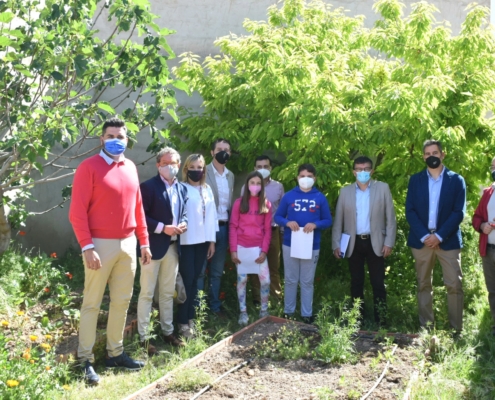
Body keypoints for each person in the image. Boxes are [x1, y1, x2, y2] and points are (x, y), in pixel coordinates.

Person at [69, 117, 151, 385]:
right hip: (99, 245)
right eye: (111, 135)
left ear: (128, 140)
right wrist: (87, 247)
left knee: (122, 301)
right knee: (92, 303)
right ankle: (85, 359)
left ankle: (115, 353)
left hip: (128, 244)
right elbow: (77, 212)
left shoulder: (130, 167)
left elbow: (137, 208)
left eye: (122, 136)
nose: (117, 140)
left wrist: (144, 242)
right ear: (101, 139)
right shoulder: (88, 167)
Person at [406, 139, 466, 333]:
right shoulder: (415, 180)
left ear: (442, 154)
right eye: (427, 154)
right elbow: (410, 211)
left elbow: (459, 212)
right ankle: (426, 328)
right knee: (423, 284)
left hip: (447, 242)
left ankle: (456, 330)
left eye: (435, 153)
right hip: (421, 242)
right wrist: (425, 236)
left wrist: (439, 236)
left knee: (454, 286)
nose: (431, 156)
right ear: (423, 156)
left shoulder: (456, 180)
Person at [332, 156, 396, 325]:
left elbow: (391, 218)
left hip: (376, 242)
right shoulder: (345, 192)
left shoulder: (382, 188)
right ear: (354, 172)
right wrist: (336, 244)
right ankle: (356, 319)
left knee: (378, 282)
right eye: (359, 169)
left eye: (366, 169)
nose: (362, 172)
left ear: (372, 171)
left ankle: (381, 319)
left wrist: (389, 242)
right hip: (353, 243)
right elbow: (339, 220)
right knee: (356, 282)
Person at [137, 147, 188, 349]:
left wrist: (183, 223)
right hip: (151, 247)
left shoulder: (182, 188)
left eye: (174, 163)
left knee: (167, 293)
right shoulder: (148, 187)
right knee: (147, 293)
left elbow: (183, 213)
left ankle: (168, 332)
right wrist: (162, 228)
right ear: (158, 165)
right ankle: (144, 337)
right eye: (165, 163)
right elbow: (140, 216)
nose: (170, 167)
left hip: (173, 248)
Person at [274, 164, 332, 323]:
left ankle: (306, 314)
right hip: (290, 243)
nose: (305, 179)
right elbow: (277, 217)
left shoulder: (320, 197)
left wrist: (316, 225)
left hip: (311, 245)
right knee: (291, 279)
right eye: (302, 176)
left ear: (315, 178)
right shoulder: (289, 196)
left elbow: (328, 220)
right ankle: (288, 312)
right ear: (297, 178)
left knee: (307, 281)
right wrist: (287, 222)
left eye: (309, 176)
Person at [177, 154, 217, 337]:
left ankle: (191, 318)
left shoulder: (207, 189)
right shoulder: (181, 188)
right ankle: (182, 322)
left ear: (204, 169)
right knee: (187, 280)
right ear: (186, 169)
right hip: (186, 241)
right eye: (192, 167)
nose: (196, 170)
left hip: (202, 242)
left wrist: (212, 241)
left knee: (195, 280)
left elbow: (212, 216)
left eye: (199, 167)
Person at [197, 139, 234, 317]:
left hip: (224, 227)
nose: (223, 152)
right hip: (205, 228)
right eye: (219, 149)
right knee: (200, 270)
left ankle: (214, 306)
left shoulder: (231, 176)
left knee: (217, 271)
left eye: (226, 150)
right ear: (212, 152)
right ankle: (198, 308)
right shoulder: (203, 172)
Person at [230, 171, 272, 325]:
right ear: (247, 185)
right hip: (242, 249)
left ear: (262, 185)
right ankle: (243, 312)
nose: (255, 186)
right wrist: (233, 250)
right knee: (242, 281)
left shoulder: (266, 204)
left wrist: (264, 251)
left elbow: (268, 230)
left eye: (258, 183)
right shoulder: (239, 203)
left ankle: (264, 310)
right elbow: (233, 226)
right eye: (252, 183)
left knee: (265, 281)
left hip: (259, 249)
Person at [241, 155, 284, 304]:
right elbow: (242, 212)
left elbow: (282, 211)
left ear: (271, 168)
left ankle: (276, 299)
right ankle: (257, 301)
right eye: (259, 167)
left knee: (273, 267)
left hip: (273, 232)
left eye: (266, 166)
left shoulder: (278, 187)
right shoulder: (246, 188)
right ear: (254, 169)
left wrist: (282, 233)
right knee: (255, 269)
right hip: (253, 235)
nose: (262, 169)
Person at [472, 156, 495, 336]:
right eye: (492, 167)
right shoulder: (488, 192)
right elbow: (476, 217)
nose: (493, 170)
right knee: (492, 290)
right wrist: (482, 226)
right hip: (488, 250)